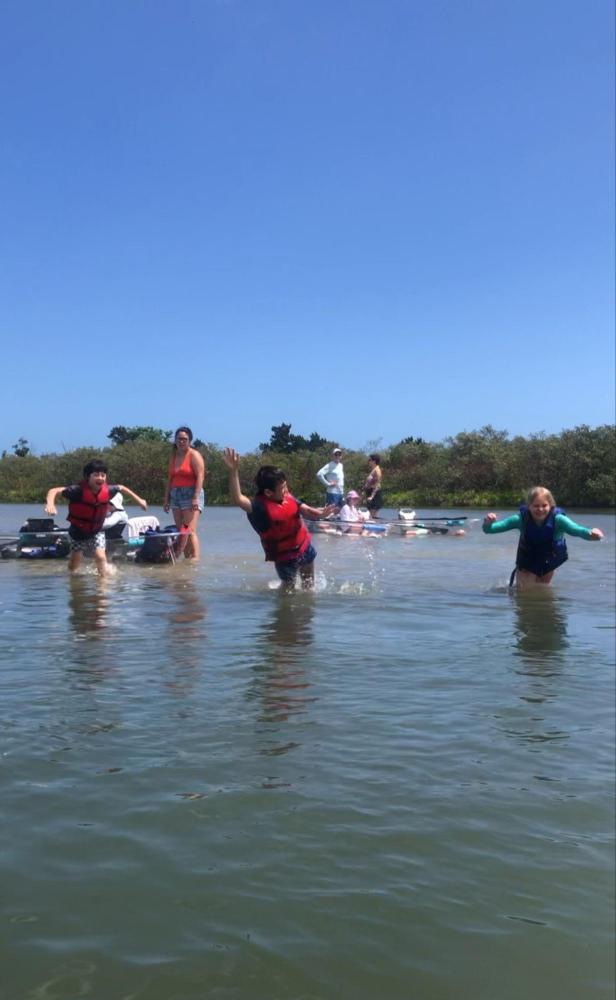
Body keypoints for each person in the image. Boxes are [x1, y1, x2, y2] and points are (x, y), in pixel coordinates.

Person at [223, 448, 338, 591]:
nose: (286, 490)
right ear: (268, 492)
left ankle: (307, 611)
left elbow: (306, 509)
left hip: (304, 547)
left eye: (285, 485)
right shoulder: (259, 508)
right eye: (282, 488)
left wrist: (321, 514)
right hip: (284, 558)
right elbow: (238, 499)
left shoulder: (286, 497)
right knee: (287, 591)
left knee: (309, 588)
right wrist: (233, 471)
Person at [483, 485, 604, 589]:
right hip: (527, 558)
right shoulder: (520, 519)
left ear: (551, 506)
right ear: (528, 506)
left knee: (541, 590)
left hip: (549, 559)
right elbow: (490, 530)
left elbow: (577, 530)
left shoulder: (559, 520)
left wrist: (591, 533)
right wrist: (488, 523)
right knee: (524, 592)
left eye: (544, 505)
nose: (540, 509)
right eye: (536, 506)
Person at [45, 459, 147, 576]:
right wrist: (50, 504)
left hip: (96, 530)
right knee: (74, 564)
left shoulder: (108, 490)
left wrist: (140, 500)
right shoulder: (77, 491)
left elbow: (122, 488)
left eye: (103, 475)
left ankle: (102, 589)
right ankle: (73, 583)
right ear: (87, 477)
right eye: (96, 475)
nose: (100, 478)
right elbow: (53, 491)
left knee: (101, 558)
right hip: (78, 530)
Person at [163, 426, 206, 560]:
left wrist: (195, 498)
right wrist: (166, 499)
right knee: (182, 532)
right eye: (179, 439)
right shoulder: (174, 456)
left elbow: (200, 476)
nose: (182, 442)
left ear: (190, 441)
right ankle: (188, 558)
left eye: (185, 439)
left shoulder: (194, 455)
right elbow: (170, 478)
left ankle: (195, 560)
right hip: (176, 495)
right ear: (175, 440)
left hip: (191, 494)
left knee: (189, 530)